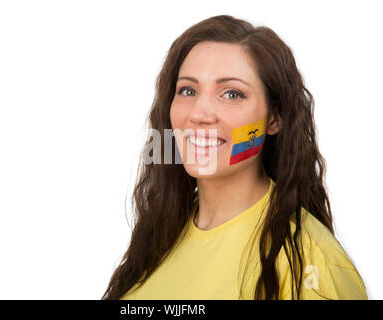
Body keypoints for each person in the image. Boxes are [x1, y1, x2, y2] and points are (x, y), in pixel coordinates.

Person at [101, 15, 368, 300]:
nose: (198, 114)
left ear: (274, 118)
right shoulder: (159, 236)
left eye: (232, 94)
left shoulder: (312, 261)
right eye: (188, 90)